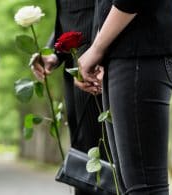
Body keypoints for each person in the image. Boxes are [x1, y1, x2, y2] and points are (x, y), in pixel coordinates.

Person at [77, 0, 172, 194]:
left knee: (143, 187)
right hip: (128, 54)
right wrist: (101, 52)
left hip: (141, 51)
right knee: (131, 185)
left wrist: (97, 49)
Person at [31, 0, 105, 194]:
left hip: (100, 69)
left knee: (104, 167)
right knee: (84, 163)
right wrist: (55, 52)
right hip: (75, 71)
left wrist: (100, 53)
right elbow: (71, 15)